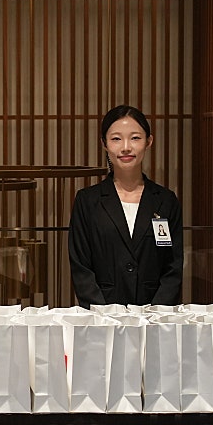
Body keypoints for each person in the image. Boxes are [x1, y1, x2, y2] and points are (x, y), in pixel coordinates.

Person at [67, 105, 183, 306]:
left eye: (135, 138)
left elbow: (173, 266)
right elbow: (81, 267)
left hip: (153, 315)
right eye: (116, 139)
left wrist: (157, 313)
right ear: (104, 143)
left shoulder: (166, 200)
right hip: (103, 314)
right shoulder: (88, 201)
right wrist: (104, 314)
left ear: (149, 141)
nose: (126, 147)